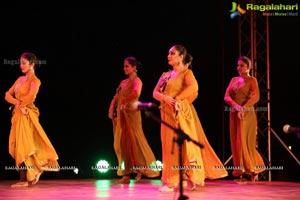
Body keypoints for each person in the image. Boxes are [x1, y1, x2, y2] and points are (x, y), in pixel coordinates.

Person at [153, 45, 228, 192]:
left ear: (181, 57)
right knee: (169, 146)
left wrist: (177, 99)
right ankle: (175, 178)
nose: (169, 56)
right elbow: (155, 93)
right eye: (168, 53)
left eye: (172, 53)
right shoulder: (165, 75)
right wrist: (166, 98)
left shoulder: (187, 73)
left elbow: (194, 88)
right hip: (166, 113)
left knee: (186, 145)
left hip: (182, 112)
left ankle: (188, 177)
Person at [5, 52, 60, 187]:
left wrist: (22, 106)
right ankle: (36, 169)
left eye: (24, 63)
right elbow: (7, 94)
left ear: (32, 64)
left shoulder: (35, 81)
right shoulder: (19, 80)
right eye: (20, 63)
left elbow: (31, 97)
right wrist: (18, 104)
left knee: (24, 146)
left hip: (27, 114)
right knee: (14, 145)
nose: (21, 66)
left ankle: (25, 179)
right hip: (18, 113)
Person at [108, 56, 160, 184]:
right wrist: (111, 108)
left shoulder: (137, 81)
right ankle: (125, 174)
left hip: (131, 114)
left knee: (135, 142)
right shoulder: (123, 82)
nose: (124, 68)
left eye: (127, 66)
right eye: (124, 66)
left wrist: (125, 101)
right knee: (119, 145)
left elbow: (136, 93)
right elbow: (116, 97)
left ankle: (140, 169)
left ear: (134, 67)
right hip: (120, 115)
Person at [224, 56, 265, 182]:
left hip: (246, 113)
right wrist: (235, 106)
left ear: (249, 67)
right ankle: (241, 171)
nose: (239, 68)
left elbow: (256, 96)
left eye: (242, 65)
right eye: (238, 65)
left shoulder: (252, 80)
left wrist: (243, 107)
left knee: (244, 141)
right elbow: (226, 96)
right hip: (234, 113)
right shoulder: (233, 79)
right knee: (236, 142)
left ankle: (252, 170)